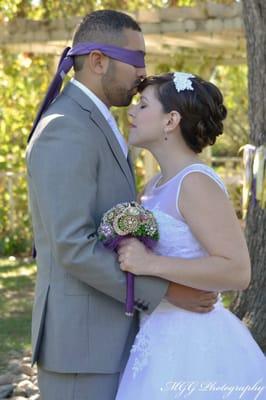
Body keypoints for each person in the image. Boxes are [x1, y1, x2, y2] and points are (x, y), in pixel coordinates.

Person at [25, 11, 219, 400]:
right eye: (137, 59)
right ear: (99, 61)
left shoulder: (96, 122)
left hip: (111, 340)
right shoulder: (66, 127)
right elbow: (73, 246)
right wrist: (164, 291)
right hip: (81, 350)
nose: (144, 73)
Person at [115, 72, 266, 400]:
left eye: (143, 105)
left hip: (195, 347)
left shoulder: (195, 182)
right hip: (154, 336)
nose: (131, 113)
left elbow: (238, 271)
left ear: (171, 120)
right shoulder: (152, 186)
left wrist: (151, 263)